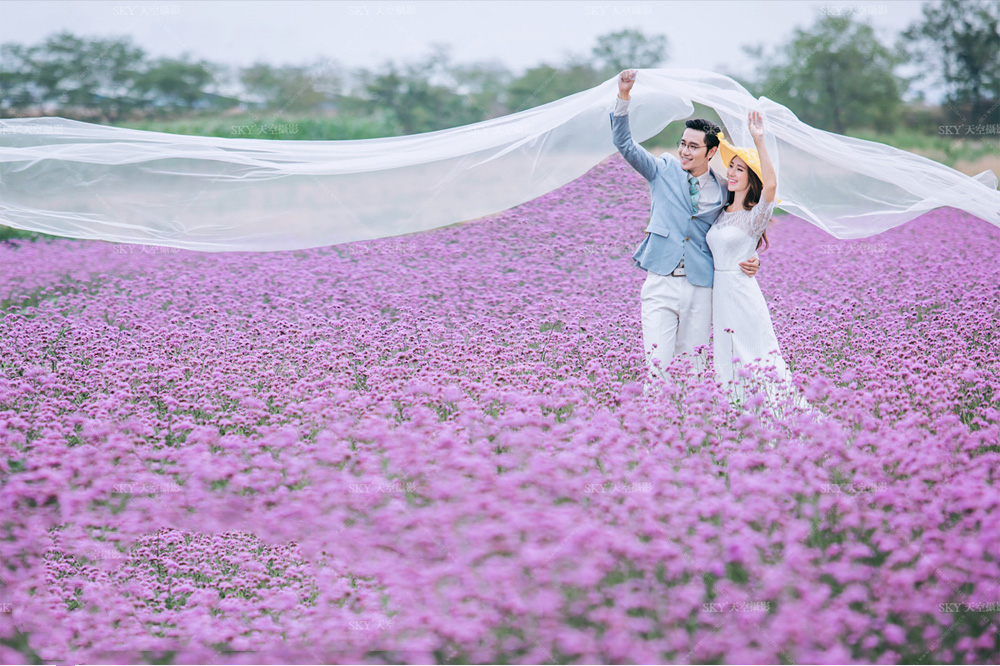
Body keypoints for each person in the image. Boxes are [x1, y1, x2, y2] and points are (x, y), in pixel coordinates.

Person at [610, 69, 759, 392]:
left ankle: (687, 429)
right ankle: (653, 430)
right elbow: (624, 143)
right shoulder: (661, 170)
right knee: (657, 364)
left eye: (693, 146)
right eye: (682, 144)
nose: (685, 151)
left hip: (701, 286)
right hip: (660, 281)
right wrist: (624, 97)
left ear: (711, 152)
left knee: (692, 366)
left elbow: (741, 225)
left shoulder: (724, 189)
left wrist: (752, 257)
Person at [707, 110, 806, 409]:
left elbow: (772, 189)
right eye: (731, 167)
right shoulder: (720, 212)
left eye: (740, 169)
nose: (733, 173)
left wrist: (758, 140)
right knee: (727, 358)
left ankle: (773, 413)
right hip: (720, 295)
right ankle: (738, 415)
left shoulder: (754, 216)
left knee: (753, 356)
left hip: (741, 293)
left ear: (752, 177)